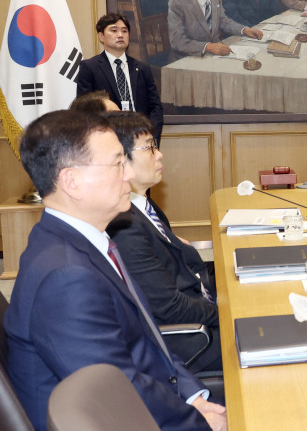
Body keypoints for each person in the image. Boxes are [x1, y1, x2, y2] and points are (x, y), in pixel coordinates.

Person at [4, 110, 225, 431]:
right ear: (71, 181)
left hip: (152, 401)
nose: (127, 175)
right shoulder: (65, 276)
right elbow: (116, 392)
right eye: (117, 164)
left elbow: (148, 343)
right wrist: (198, 420)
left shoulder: (91, 240)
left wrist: (195, 397)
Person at [105, 112, 223, 372]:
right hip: (189, 343)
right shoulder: (125, 225)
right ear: (120, 161)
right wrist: (227, 313)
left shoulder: (143, 205)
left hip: (199, 311)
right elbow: (168, 306)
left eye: (155, 146)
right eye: (149, 147)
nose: (159, 155)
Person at [77, 13, 164, 141]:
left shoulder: (142, 68)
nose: (120, 35)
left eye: (124, 31)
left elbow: (155, 107)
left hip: (141, 137)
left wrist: (152, 137)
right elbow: (84, 110)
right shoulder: (90, 67)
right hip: (108, 138)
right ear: (101, 36)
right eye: (114, 30)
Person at [168, 0, 263, 60]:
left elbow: (223, 20)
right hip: (189, 57)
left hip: (214, 53)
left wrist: (244, 30)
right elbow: (177, 41)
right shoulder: (177, 3)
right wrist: (208, 47)